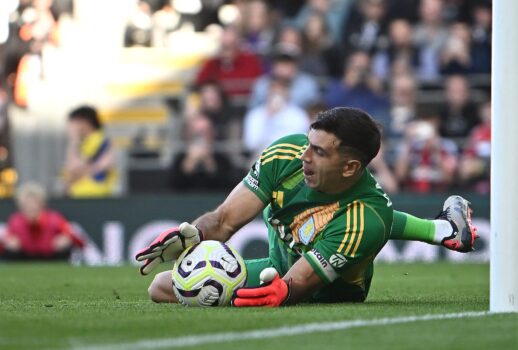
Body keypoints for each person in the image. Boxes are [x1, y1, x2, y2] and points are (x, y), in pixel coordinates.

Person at [136, 107, 478, 306]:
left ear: (350, 168)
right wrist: (195, 234)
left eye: (319, 152)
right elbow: (224, 220)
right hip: (277, 261)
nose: (304, 156)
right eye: (308, 143)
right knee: (163, 287)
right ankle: (445, 229)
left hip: (332, 288)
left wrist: (232, 297)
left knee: (370, 220)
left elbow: (293, 286)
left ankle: (443, 229)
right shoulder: (286, 153)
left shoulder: (367, 218)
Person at [1, 182, 85, 261]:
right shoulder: (15, 220)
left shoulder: (55, 218)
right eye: (27, 204)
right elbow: (4, 243)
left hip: (51, 258)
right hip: (24, 258)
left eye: (34, 203)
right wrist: (9, 241)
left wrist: (66, 239)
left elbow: (77, 240)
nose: (31, 206)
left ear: (42, 204)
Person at [63, 105, 117, 198]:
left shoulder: (99, 141)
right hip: (79, 195)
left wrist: (74, 140)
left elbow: (74, 167)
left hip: (95, 195)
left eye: (74, 122)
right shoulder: (83, 142)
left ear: (85, 121)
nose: (72, 127)